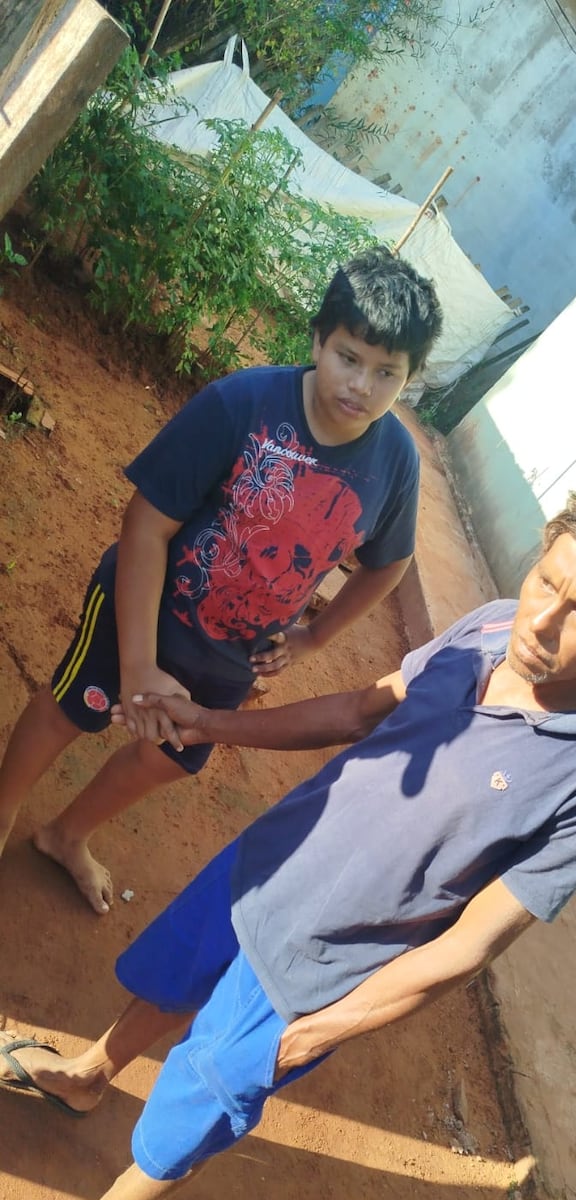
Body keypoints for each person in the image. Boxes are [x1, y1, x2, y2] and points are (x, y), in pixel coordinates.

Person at [0, 487, 576, 1200]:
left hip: (318, 969)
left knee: (195, 1112)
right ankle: (88, 1076)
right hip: (268, 863)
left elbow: (474, 941)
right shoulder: (488, 625)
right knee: (168, 980)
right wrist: (210, 722)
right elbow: (359, 709)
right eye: (545, 581)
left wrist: (312, 1035)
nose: (541, 623)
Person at [0, 248, 442, 913]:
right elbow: (145, 526)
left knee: (171, 755)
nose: (361, 386)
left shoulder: (397, 462)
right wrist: (139, 665)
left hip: (235, 655)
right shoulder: (242, 403)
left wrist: (316, 636)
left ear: (409, 378)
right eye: (348, 357)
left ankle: (67, 835)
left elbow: (390, 563)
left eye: (387, 373)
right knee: (73, 706)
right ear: (318, 340)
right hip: (143, 612)